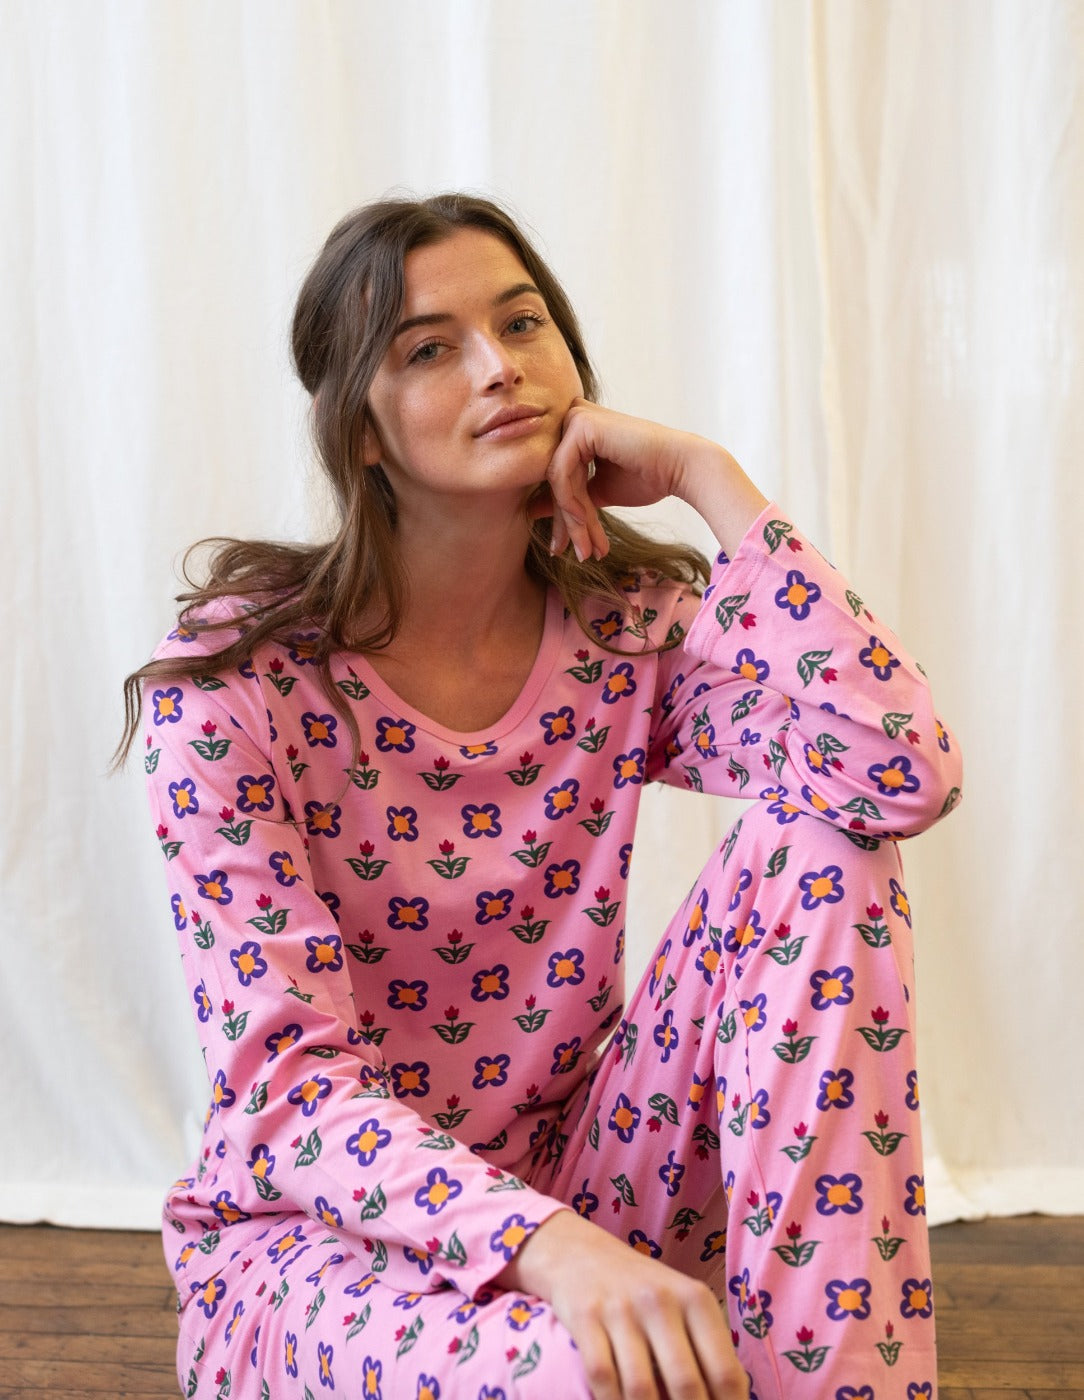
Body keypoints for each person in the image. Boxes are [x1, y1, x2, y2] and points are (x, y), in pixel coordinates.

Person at [123, 193, 962, 1400]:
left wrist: (709, 479)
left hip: (585, 1186)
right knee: (582, 1378)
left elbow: (896, 771)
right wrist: (550, 1249)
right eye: (429, 348)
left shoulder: (622, 635)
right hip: (319, 1244)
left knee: (830, 848)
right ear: (359, 429)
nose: (497, 366)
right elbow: (287, 1090)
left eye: (522, 323)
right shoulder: (236, 681)